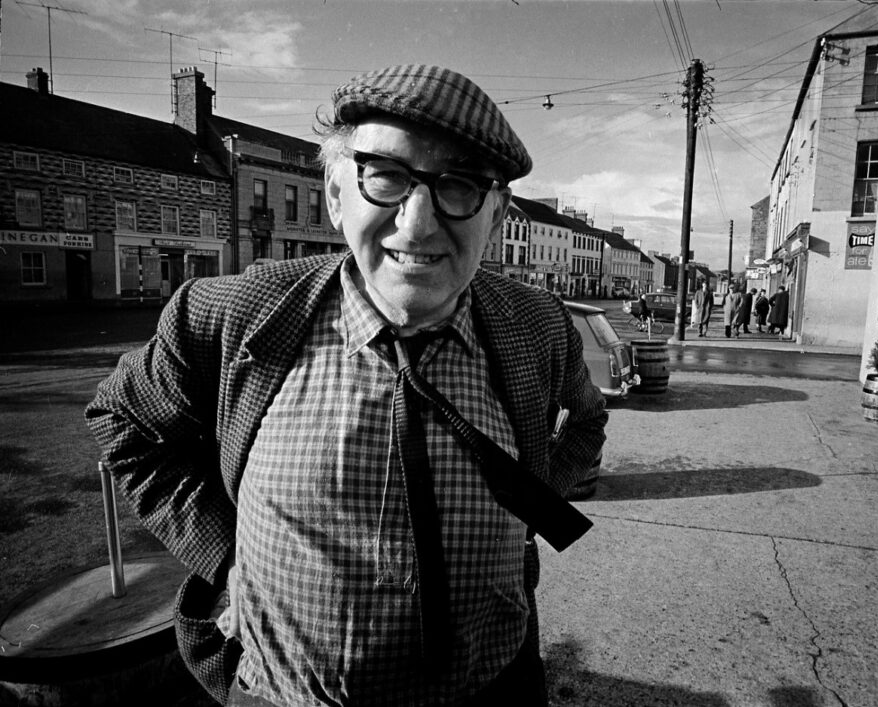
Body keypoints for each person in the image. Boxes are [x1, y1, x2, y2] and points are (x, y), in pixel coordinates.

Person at [86, 64, 607, 707]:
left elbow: (586, 421)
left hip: (495, 685)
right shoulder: (229, 317)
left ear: (496, 215)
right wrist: (226, 552)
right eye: (385, 175)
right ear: (336, 194)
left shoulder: (537, 326)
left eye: (462, 185)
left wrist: (523, 513)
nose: (417, 225)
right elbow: (122, 420)